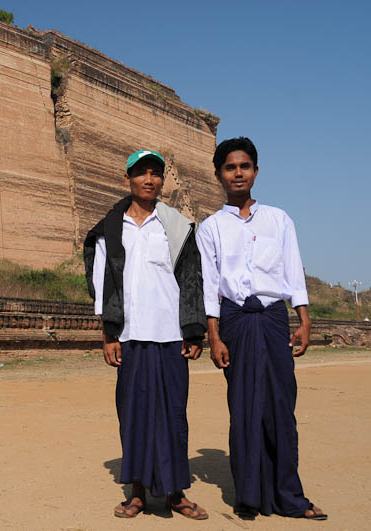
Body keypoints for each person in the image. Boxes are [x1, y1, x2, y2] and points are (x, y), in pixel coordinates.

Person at [195, 137, 327, 520]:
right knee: (244, 408)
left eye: (245, 166)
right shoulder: (211, 228)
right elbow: (208, 285)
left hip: (272, 318)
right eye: (230, 167)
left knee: (282, 407)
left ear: (255, 171)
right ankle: (248, 496)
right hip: (235, 321)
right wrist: (215, 335)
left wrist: (303, 319)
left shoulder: (279, 219)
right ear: (219, 175)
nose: (238, 173)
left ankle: (289, 496)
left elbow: (292, 270)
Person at [84, 149, 208, 519]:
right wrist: (109, 334)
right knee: (133, 414)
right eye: (142, 174)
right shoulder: (110, 228)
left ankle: (175, 493)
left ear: (162, 182)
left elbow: (191, 282)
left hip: (170, 335)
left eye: (156, 174)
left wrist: (193, 330)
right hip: (131, 336)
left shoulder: (176, 226)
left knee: (173, 414)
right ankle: (137, 491)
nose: (149, 180)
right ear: (128, 179)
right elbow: (103, 284)